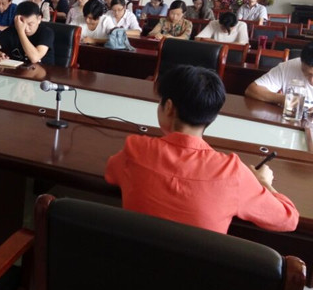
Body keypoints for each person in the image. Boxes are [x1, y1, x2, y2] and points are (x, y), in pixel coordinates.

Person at [105, 65, 299, 235]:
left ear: (169, 107)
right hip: (200, 268)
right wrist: (264, 183)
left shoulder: (136, 150)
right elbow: (289, 218)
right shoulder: (232, 172)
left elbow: (111, 173)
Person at [245, 41, 313, 116]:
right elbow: (252, 90)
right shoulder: (288, 67)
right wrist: (284, 99)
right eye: (307, 73)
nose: (311, 80)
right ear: (301, 62)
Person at [0, 0, 54, 65]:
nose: (26, 28)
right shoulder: (12, 31)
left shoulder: (46, 32)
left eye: (30, 24)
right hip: (17, 72)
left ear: (39, 19)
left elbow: (34, 58)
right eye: (22, 23)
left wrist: (20, 31)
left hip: (43, 73)